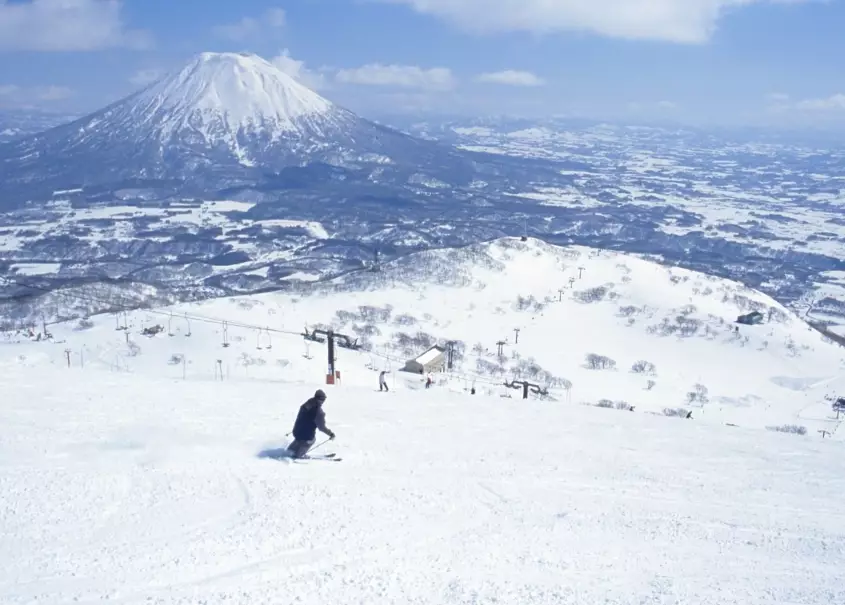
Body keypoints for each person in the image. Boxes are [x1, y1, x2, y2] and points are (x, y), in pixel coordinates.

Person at [287, 389, 335, 458]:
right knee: (310, 440)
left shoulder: (306, 405)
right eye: (323, 400)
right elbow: (321, 427)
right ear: (321, 399)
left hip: (297, 431)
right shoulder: (318, 412)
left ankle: (290, 451)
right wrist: (331, 434)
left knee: (298, 441)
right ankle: (299, 455)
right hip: (307, 436)